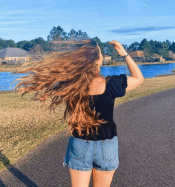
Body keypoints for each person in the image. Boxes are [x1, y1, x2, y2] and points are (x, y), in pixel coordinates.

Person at [13, 39, 144, 187]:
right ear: (97, 59)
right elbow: (139, 78)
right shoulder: (112, 83)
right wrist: (125, 54)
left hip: (80, 145)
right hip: (106, 146)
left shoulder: (71, 85)